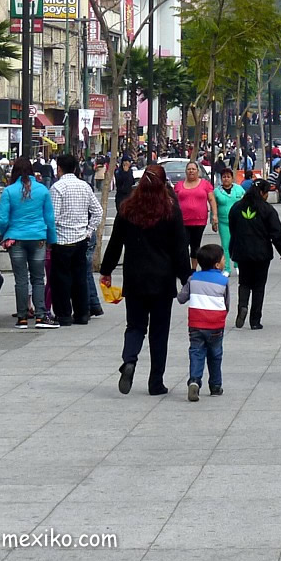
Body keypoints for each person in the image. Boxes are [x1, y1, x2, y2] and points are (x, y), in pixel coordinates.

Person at [101, 164, 191, 396]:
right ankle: (155, 382)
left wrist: (107, 269)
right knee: (159, 333)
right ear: (164, 184)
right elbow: (181, 247)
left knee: (135, 326)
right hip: (162, 279)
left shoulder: (128, 208)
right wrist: (186, 277)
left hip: (135, 277)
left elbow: (115, 243)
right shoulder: (171, 209)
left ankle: (129, 360)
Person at [0, 158, 58, 329]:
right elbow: (49, 219)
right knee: (38, 279)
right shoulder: (42, 190)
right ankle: (40, 316)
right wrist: (51, 240)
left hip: (15, 239)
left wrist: (4, 233)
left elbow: (2, 219)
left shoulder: (9, 191)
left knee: (21, 279)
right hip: (38, 238)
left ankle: (22, 317)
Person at [228, 179, 281, 330]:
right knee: (258, 286)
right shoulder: (267, 209)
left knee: (244, 283)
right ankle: (255, 320)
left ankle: (242, 306)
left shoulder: (237, 207)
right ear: (263, 193)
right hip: (261, 253)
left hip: (242, 250)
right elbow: (276, 233)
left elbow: (233, 229)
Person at [49, 154, 103, 326]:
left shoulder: (57, 188)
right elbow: (98, 211)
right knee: (80, 279)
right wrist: (89, 230)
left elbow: (53, 217)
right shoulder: (84, 186)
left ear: (59, 168)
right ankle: (82, 314)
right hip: (81, 239)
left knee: (61, 280)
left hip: (62, 240)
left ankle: (64, 314)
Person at [177, 243, 229, 401]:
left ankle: (194, 381)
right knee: (215, 354)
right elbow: (226, 304)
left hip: (196, 324)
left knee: (196, 352)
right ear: (217, 264)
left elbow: (181, 298)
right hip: (215, 325)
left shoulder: (193, 279)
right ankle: (215, 385)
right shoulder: (223, 281)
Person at [174, 161, 218, 269]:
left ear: (198, 171)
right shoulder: (179, 185)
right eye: (189, 169)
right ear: (186, 171)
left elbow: (211, 200)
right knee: (183, 245)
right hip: (183, 221)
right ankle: (184, 268)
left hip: (199, 220)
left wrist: (214, 215)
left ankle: (193, 268)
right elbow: (173, 201)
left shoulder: (205, 184)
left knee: (195, 245)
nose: (191, 171)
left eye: (193, 169)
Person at [213, 168, 244, 273]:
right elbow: (214, 206)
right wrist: (214, 220)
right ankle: (226, 268)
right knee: (225, 245)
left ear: (232, 178)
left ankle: (238, 264)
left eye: (228, 177)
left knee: (238, 244)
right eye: (224, 177)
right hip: (223, 222)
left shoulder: (239, 189)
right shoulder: (217, 191)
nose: (226, 179)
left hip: (238, 222)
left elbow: (246, 202)